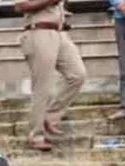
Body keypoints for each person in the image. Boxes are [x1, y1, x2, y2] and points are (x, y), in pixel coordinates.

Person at [18, 0, 87, 153]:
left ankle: (50, 116)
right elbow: (21, 6)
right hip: (38, 31)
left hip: (60, 32)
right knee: (43, 86)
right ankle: (36, 135)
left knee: (77, 75)